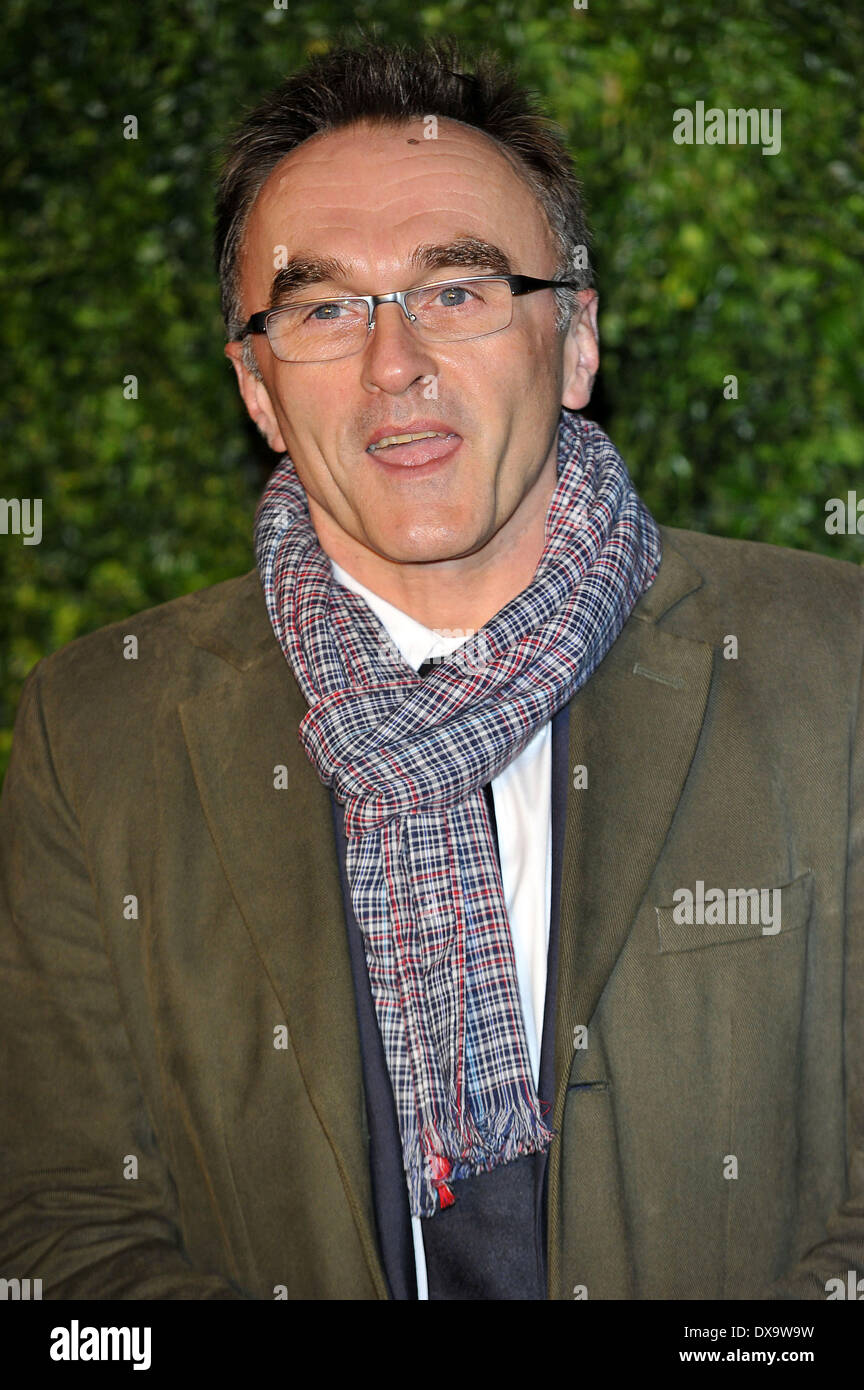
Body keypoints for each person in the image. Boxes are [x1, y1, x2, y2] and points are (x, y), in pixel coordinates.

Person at [0, 37, 862, 1303]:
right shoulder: (97, 730)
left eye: (457, 293)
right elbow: (59, 1233)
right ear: (256, 388)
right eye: (324, 308)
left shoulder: (835, 670)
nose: (391, 363)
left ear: (573, 343)